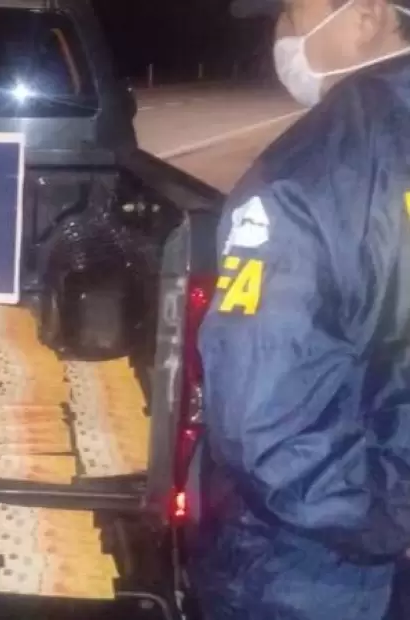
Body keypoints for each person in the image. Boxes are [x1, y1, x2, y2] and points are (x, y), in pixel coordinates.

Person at [190, 0, 410, 618]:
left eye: (292, 10)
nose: (280, 31)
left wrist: (391, 519)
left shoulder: (302, 178)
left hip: (317, 572)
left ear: (367, 16)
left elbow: (265, 424)